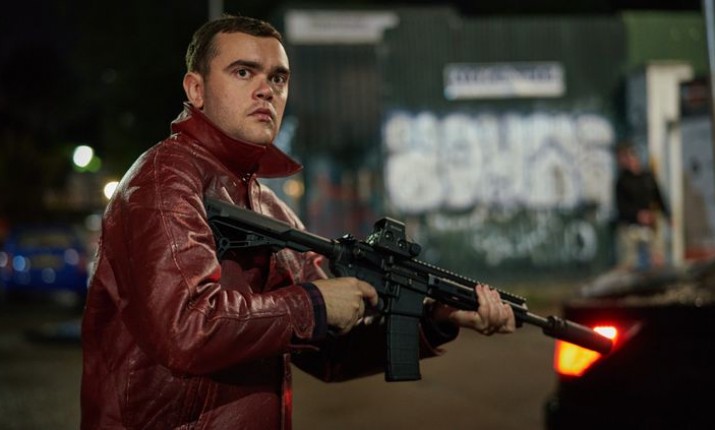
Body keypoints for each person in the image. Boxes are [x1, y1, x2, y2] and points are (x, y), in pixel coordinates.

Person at [80, 14, 516, 429]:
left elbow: (329, 354)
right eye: (243, 72)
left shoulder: (268, 206)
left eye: (278, 78)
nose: (266, 91)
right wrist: (314, 303)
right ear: (196, 89)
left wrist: (436, 318)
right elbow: (187, 328)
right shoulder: (166, 180)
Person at [614, 142, 670, 271]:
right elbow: (621, 207)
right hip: (630, 226)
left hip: (650, 224)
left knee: (657, 258)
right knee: (628, 263)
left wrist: (667, 214)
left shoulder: (647, 177)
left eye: (631, 156)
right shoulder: (622, 181)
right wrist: (638, 215)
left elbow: (658, 196)